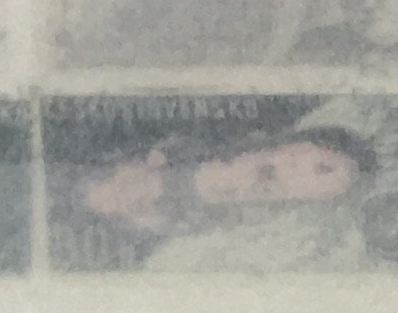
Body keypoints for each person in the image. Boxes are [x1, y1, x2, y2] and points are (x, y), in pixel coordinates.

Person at [63, 117, 378, 273]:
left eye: (120, 189)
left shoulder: (181, 150)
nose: (125, 198)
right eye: (118, 205)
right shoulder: (172, 225)